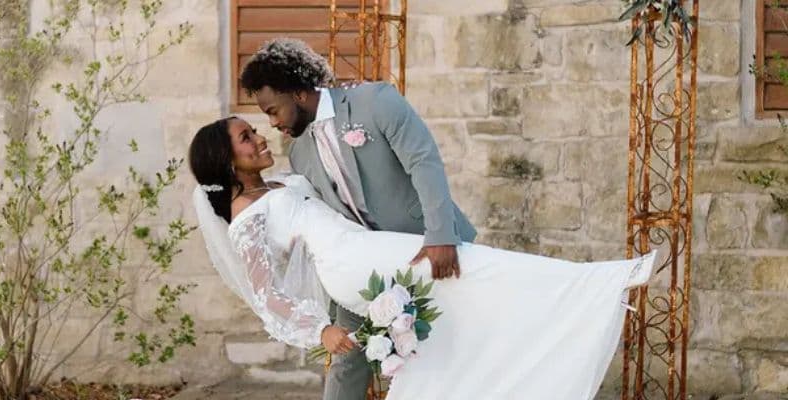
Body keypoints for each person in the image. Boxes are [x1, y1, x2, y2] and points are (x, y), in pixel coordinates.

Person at [188, 116, 657, 399]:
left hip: (365, 249)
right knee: (472, 266)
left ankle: (595, 288)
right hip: (352, 265)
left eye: (254, 130)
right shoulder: (246, 217)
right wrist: (323, 329)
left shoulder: (280, 183)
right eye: (247, 138)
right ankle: (603, 282)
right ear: (229, 162)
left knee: (463, 299)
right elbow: (266, 294)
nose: (261, 137)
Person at [238, 38, 477, 399]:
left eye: (273, 111)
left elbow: (423, 163)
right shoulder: (300, 152)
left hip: (428, 250)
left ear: (299, 93)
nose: (272, 124)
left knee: (449, 355)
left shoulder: (375, 102)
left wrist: (440, 235)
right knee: (347, 366)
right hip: (366, 273)